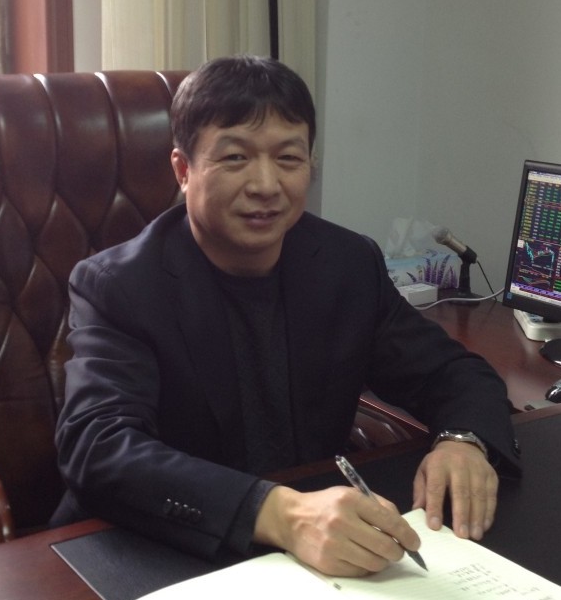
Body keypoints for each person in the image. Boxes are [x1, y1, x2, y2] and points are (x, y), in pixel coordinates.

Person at [54, 55, 520, 577]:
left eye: (288, 158)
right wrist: (277, 512)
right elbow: (97, 447)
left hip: (314, 551)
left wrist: (463, 441)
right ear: (184, 170)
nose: (266, 184)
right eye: (235, 158)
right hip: (162, 547)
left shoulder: (346, 264)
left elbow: (452, 372)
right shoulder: (120, 285)